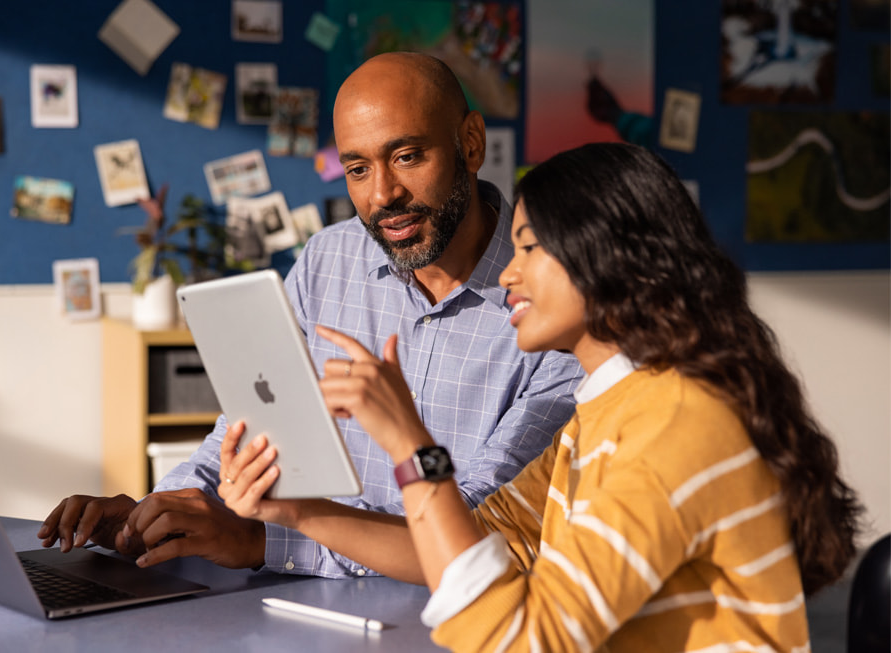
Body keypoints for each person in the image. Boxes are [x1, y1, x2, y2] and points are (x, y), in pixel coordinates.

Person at [219, 142, 862, 650]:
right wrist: (297, 513)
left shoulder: (676, 427)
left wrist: (411, 445)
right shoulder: (605, 414)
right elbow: (477, 543)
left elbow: (526, 639)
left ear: (608, 257)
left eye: (529, 247)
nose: (508, 272)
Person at [37, 52, 583, 577]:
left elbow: (473, 528)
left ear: (470, 143)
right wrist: (156, 517)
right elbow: (248, 429)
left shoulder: (556, 306)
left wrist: (263, 542)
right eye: (357, 168)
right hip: (296, 594)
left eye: (407, 156)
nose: (383, 195)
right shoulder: (329, 258)